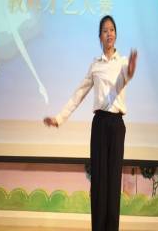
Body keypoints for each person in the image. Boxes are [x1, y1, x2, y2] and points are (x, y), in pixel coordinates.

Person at [44, 15, 138, 231]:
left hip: (117, 125)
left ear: (116, 35)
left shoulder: (123, 62)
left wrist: (131, 69)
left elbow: (126, 76)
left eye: (112, 30)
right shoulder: (95, 65)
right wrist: (59, 118)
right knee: (99, 182)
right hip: (100, 124)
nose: (109, 34)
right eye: (105, 30)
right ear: (100, 37)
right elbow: (78, 94)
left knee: (113, 181)